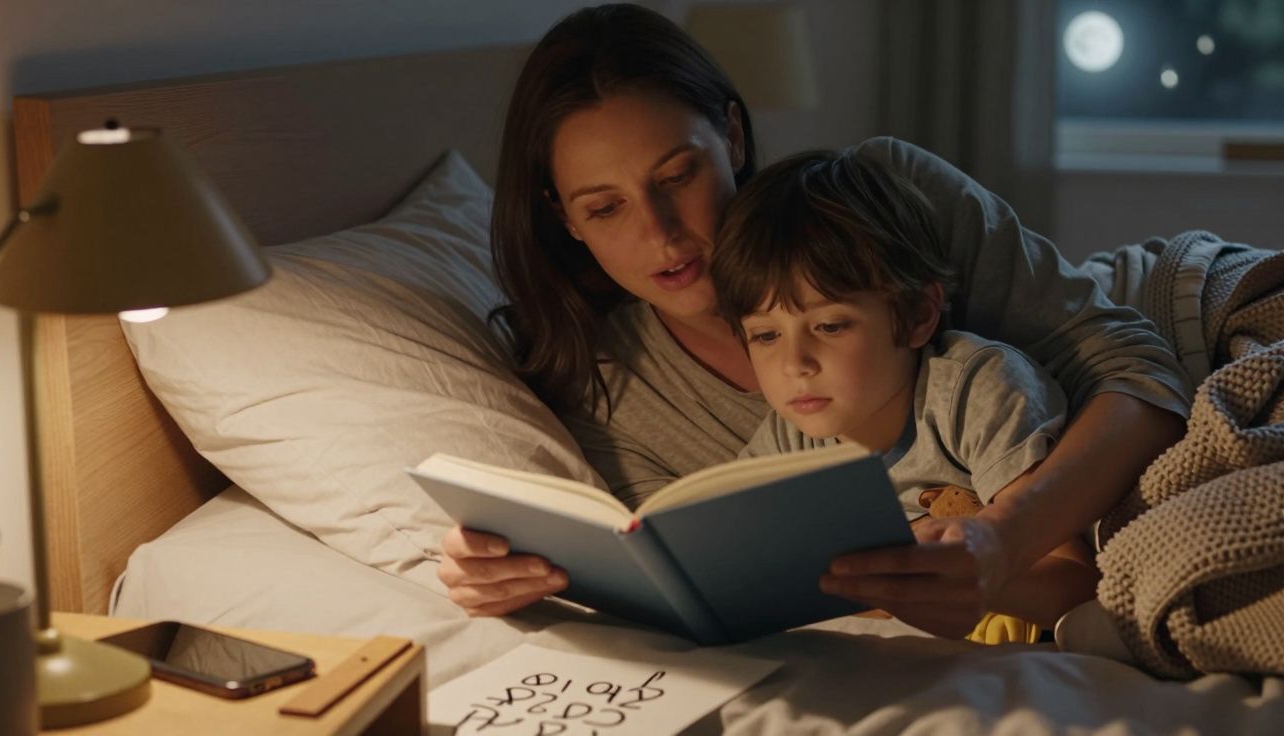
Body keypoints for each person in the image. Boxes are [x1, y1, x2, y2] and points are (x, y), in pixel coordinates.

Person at [438, 3, 1190, 638]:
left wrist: (1004, 538)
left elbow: (1142, 372)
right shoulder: (610, 388)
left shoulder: (885, 197)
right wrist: (510, 568)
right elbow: (686, 576)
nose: (661, 233)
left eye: (679, 174)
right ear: (561, 217)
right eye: (605, 208)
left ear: (731, 137)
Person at [711, 149, 1099, 635]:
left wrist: (970, 583)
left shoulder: (974, 393)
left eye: (830, 326)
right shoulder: (791, 438)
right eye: (766, 336)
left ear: (917, 315)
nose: (795, 365)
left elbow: (1077, 582)